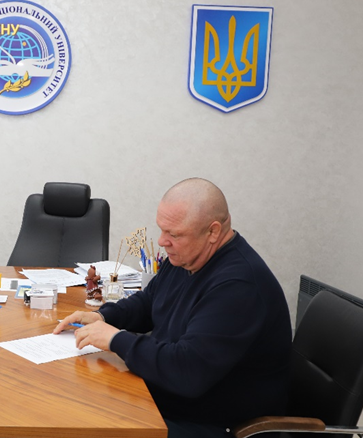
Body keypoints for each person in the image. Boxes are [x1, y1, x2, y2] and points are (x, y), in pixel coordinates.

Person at [54, 178, 291, 438]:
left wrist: (115, 339)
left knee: (86, 425)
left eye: (174, 234)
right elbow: (150, 301)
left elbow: (187, 371)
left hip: (214, 425)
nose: (162, 241)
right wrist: (102, 316)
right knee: (75, 401)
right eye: (162, 230)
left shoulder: (238, 286)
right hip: (173, 401)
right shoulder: (187, 258)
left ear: (213, 232)